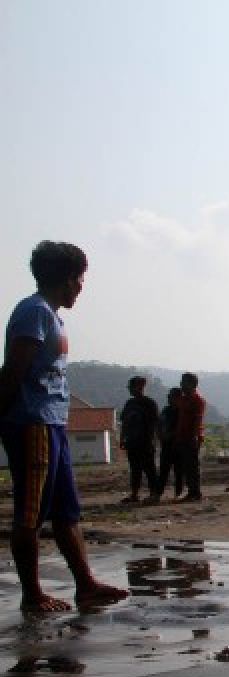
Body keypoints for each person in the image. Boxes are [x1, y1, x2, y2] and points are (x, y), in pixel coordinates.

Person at [0, 241, 129, 611]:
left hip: (52, 424)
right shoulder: (34, 312)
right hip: (33, 423)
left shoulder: (50, 315)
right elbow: (14, 371)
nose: (82, 287)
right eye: (81, 278)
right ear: (69, 279)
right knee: (31, 513)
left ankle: (85, 584)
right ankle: (32, 595)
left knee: (66, 510)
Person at [119, 375, 159, 503]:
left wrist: (154, 440)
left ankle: (154, 494)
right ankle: (134, 494)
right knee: (135, 469)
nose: (129, 390)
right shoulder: (130, 403)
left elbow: (155, 423)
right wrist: (122, 438)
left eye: (131, 387)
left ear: (139, 387)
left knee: (149, 469)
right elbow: (124, 422)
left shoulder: (150, 404)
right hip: (132, 442)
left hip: (145, 441)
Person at [176, 372, 206, 501]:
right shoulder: (184, 399)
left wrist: (193, 437)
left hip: (191, 437)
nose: (181, 384)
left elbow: (197, 421)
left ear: (192, 384)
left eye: (183, 382)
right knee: (187, 466)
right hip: (183, 437)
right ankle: (191, 491)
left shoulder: (197, 400)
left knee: (192, 465)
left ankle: (195, 492)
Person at [157, 387, 183, 499]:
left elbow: (182, 427)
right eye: (169, 396)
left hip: (178, 445)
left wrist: (171, 435)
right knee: (163, 471)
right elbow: (159, 424)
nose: (168, 398)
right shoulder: (166, 410)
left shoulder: (182, 412)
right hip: (166, 445)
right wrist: (160, 435)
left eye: (171, 396)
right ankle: (158, 493)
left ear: (178, 398)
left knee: (179, 471)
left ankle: (178, 493)